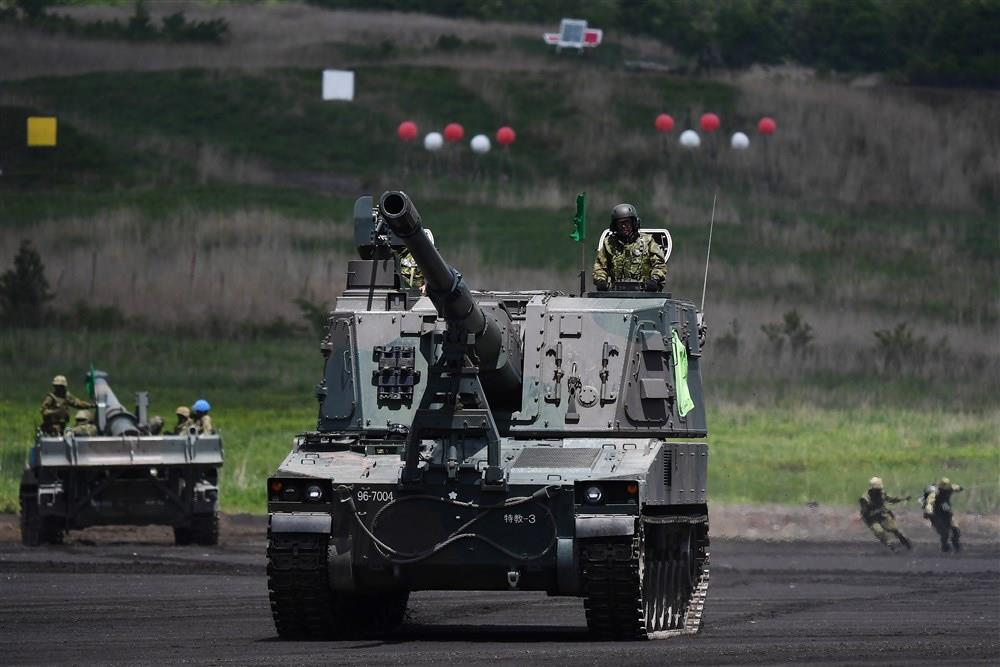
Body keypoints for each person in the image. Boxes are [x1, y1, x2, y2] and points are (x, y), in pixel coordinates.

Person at [592, 203, 667, 292]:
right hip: (616, 293)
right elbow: (600, 266)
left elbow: (659, 265)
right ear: (615, 226)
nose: (624, 226)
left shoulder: (648, 242)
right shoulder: (609, 244)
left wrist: (654, 280)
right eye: (620, 224)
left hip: (644, 292)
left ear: (634, 223)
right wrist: (601, 281)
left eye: (627, 222)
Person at [859, 476, 912, 551]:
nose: (879, 490)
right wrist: (877, 511)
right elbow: (865, 513)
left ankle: (908, 545)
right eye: (877, 489)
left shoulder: (882, 493)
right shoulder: (865, 498)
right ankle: (891, 548)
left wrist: (903, 498)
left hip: (883, 515)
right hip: (872, 519)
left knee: (896, 530)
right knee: (879, 532)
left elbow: (891, 499)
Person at [923, 477, 963, 552]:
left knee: (956, 531)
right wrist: (929, 512)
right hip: (936, 514)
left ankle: (956, 544)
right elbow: (929, 504)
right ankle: (944, 547)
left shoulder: (950, 488)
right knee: (945, 533)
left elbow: (958, 488)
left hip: (947, 513)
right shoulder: (934, 493)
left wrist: (958, 488)